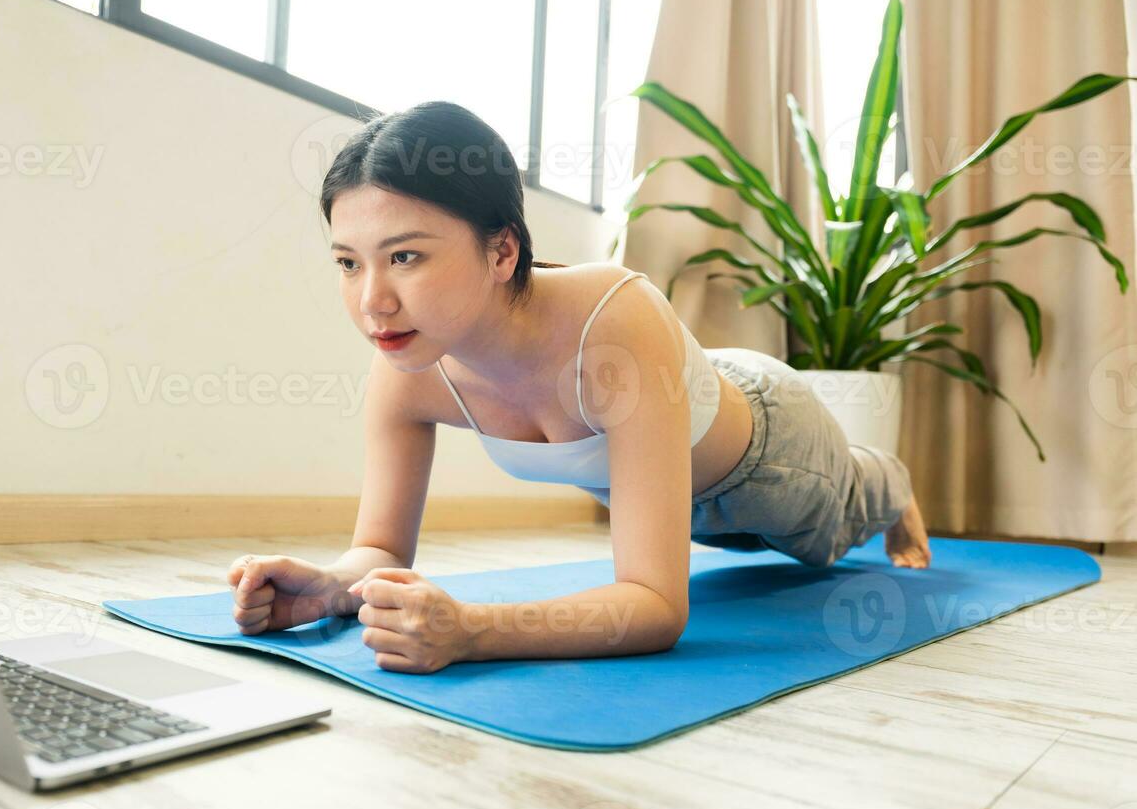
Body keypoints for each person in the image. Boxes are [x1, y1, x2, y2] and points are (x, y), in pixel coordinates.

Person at [228, 101, 931, 674]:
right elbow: (379, 552)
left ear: (502, 250)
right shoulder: (406, 368)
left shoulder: (617, 321)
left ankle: (888, 479)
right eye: (349, 263)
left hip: (771, 459)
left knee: (839, 530)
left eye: (405, 256)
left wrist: (472, 631)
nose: (373, 300)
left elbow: (657, 605)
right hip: (672, 474)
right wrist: (330, 587)